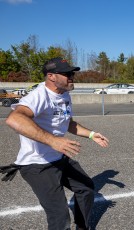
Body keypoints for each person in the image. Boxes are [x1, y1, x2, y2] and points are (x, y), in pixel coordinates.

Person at [4, 57, 109, 230]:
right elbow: (14, 119)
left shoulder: (64, 94)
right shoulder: (39, 95)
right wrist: (53, 141)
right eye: (67, 73)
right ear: (51, 76)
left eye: (72, 73)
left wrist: (91, 134)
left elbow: (67, 123)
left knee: (86, 188)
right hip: (37, 165)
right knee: (59, 216)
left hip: (59, 158)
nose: (72, 76)